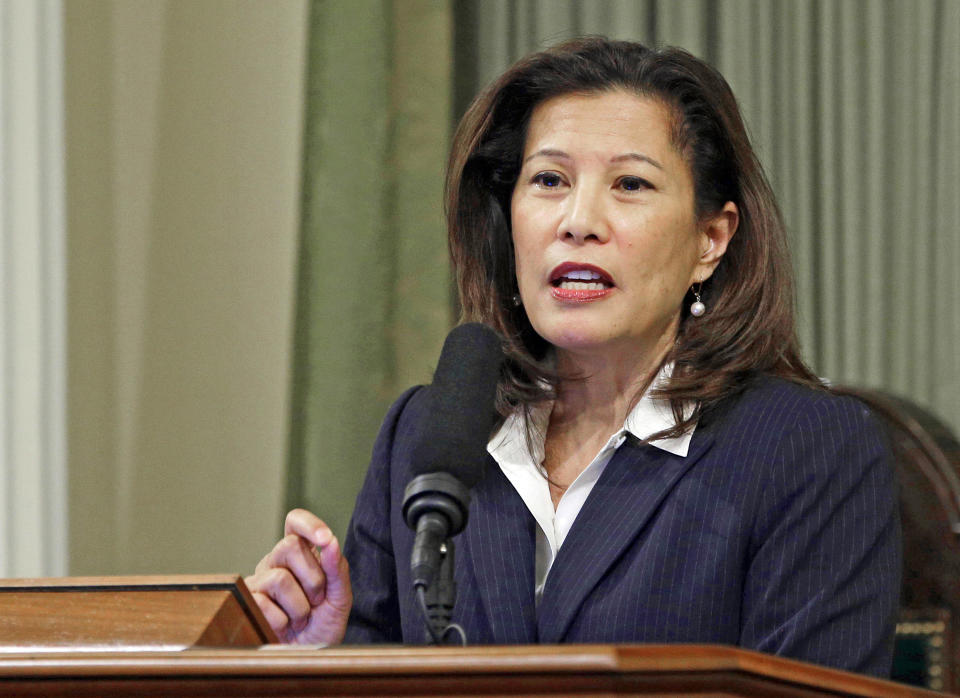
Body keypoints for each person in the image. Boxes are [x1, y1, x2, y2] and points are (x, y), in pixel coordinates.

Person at [245, 37, 900, 677]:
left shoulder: (807, 450)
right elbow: (381, 666)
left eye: (631, 184)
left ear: (711, 239)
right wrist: (317, 659)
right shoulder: (431, 434)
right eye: (550, 179)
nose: (578, 220)